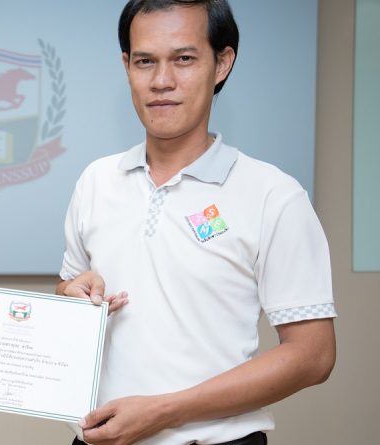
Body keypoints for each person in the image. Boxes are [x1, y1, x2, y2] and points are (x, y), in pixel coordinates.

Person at [57, 1, 336, 444]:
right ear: (127, 66)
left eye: (184, 59)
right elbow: (68, 293)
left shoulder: (273, 195)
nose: (161, 80)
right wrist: (71, 294)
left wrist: (166, 410)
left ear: (222, 63)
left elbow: (313, 356)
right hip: (97, 438)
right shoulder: (96, 180)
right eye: (145, 61)